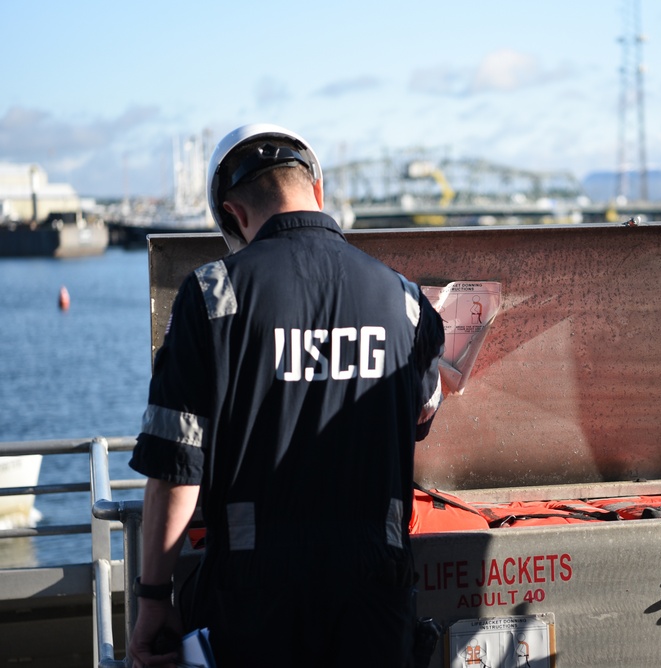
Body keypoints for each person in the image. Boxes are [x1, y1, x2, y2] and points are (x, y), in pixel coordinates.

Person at [128, 123, 445, 667]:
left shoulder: (212, 296)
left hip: (255, 604)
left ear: (233, 214)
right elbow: (420, 413)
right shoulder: (406, 301)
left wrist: (154, 599)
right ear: (317, 191)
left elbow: (177, 467)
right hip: (376, 595)